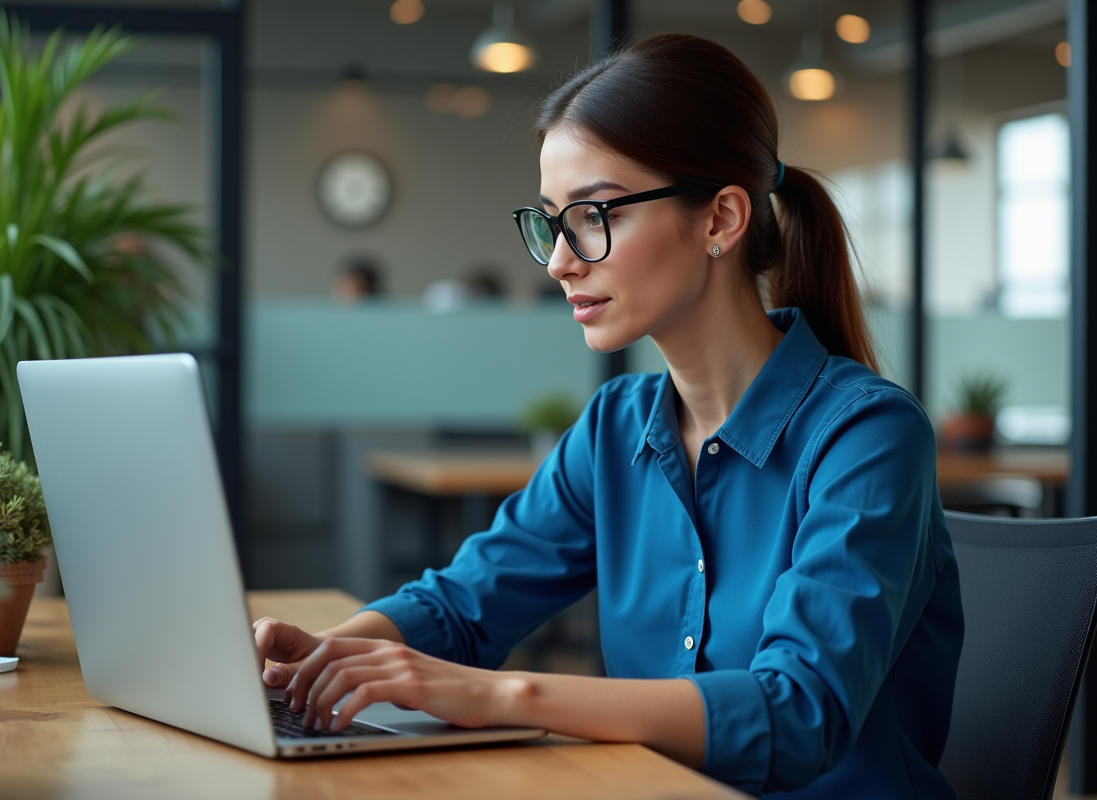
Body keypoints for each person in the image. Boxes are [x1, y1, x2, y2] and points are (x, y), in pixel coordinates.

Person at [254, 34, 963, 798]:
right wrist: (319, 658)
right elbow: (462, 604)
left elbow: (797, 714)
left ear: (721, 219)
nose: (560, 260)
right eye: (551, 223)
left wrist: (504, 696)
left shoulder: (867, 437)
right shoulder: (615, 426)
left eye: (593, 215)